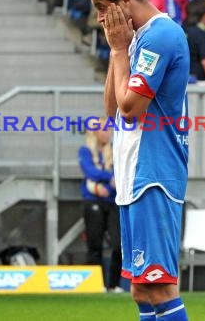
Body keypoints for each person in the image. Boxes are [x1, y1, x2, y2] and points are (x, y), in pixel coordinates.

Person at [82, 0, 189, 321]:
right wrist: (119, 51)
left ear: (124, 1)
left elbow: (130, 110)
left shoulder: (161, 35)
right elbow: (111, 109)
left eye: (102, 8)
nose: (100, 18)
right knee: (141, 288)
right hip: (134, 176)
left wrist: (116, 51)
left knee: (159, 286)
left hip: (154, 174)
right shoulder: (136, 39)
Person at [78, 116, 122, 293]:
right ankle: (97, 285)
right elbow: (90, 171)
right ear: (95, 131)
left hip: (112, 201)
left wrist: (106, 184)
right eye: (104, 129)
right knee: (94, 245)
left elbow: (120, 174)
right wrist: (108, 180)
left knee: (118, 245)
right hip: (93, 201)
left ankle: (114, 284)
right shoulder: (85, 150)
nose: (107, 133)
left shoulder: (115, 150)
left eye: (109, 129)